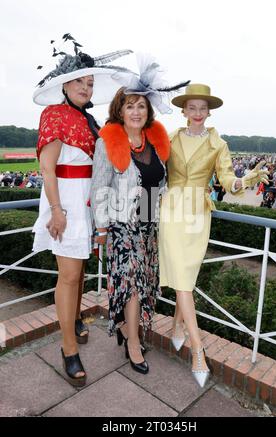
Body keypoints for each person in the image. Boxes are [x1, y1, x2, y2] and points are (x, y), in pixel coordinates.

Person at [32, 35, 132, 387]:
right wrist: (57, 211)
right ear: (65, 83)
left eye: (90, 83)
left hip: (87, 200)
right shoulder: (54, 114)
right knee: (70, 275)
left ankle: (73, 321)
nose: (86, 88)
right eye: (80, 81)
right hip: (66, 200)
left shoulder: (89, 121)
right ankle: (68, 349)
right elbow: (47, 168)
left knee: (81, 269)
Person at [159, 83, 269, 388]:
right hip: (170, 211)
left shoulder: (219, 145)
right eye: (191, 107)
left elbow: (227, 180)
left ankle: (176, 325)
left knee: (185, 276)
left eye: (202, 108)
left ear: (209, 112)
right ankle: (198, 349)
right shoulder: (169, 137)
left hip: (197, 213)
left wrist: (244, 180)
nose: (197, 113)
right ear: (183, 111)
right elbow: (153, 170)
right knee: (182, 277)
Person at [91, 56, 188, 375]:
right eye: (130, 106)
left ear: (148, 113)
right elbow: (99, 186)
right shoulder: (108, 141)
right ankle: (133, 343)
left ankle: (125, 328)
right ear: (120, 110)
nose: (136, 111)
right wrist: (101, 228)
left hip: (149, 225)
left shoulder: (155, 140)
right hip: (122, 226)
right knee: (131, 285)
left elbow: (164, 183)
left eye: (141, 107)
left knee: (143, 283)